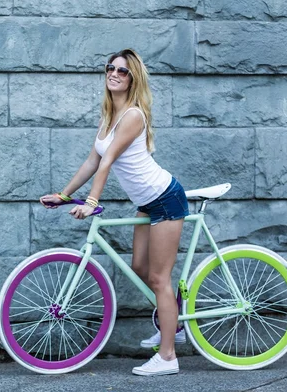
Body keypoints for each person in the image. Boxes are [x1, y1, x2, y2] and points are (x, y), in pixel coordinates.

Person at [39, 48, 189, 376]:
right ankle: (173, 317)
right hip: (147, 203)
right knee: (139, 266)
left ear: (132, 79)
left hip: (166, 198)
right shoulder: (109, 115)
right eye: (111, 68)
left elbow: (107, 163)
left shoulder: (133, 115)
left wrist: (91, 203)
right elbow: (93, 160)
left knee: (159, 278)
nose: (114, 74)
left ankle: (167, 356)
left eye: (123, 71)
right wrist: (65, 195)